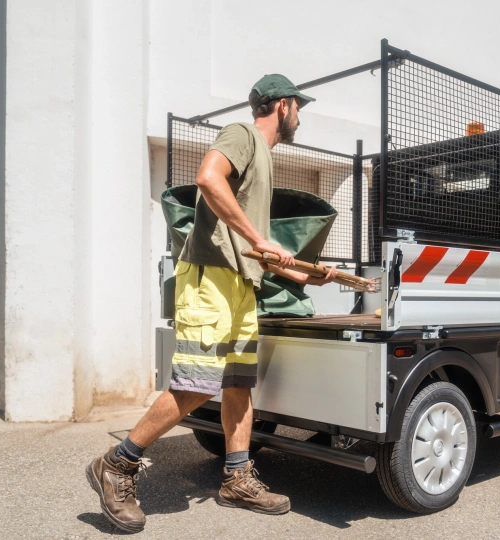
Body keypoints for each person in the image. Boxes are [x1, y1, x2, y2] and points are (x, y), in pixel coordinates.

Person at [85, 74, 338, 533]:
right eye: (298, 107)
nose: (300, 116)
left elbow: (251, 246)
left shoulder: (263, 159)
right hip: (211, 279)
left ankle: (237, 477)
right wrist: (261, 237)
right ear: (282, 106)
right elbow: (207, 178)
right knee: (198, 382)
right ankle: (116, 465)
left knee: (239, 383)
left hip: (240, 283)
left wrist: (300, 272)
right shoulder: (243, 135)